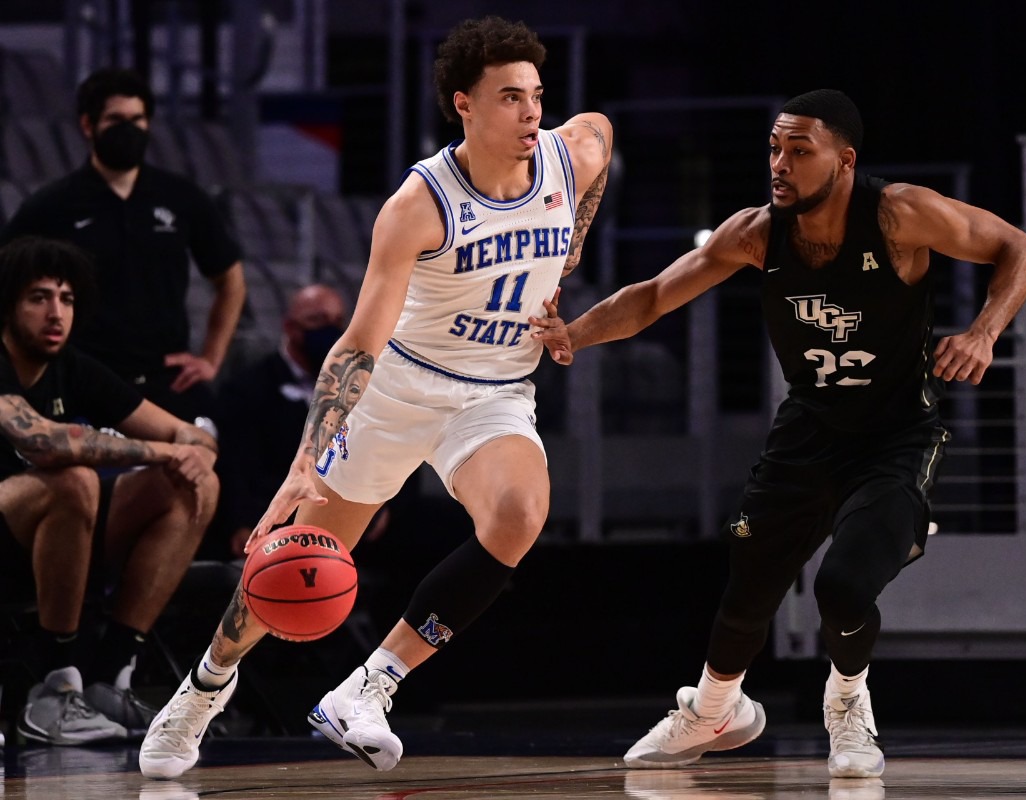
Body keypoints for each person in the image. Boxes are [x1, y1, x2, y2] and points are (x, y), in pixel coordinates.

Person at [138, 15, 612, 779]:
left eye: (536, 96)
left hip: (493, 393)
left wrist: (572, 252)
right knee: (292, 562)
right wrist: (304, 459)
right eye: (510, 99)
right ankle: (201, 691)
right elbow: (357, 343)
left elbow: (601, 133)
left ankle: (368, 686)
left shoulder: (570, 152)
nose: (532, 114)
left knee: (521, 516)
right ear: (464, 104)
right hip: (398, 391)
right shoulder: (419, 204)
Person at [531, 89, 1026, 778]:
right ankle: (715, 709)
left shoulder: (898, 213)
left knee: (842, 587)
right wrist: (572, 335)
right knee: (748, 586)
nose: (780, 163)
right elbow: (653, 295)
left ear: (845, 159)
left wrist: (984, 332)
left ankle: (848, 704)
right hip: (808, 431)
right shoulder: (756, 232)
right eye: (775, 147)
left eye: (800, 151)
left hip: (896, 435)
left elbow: (1020, 247)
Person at [0, 236, 220, 745]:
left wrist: (195, 457)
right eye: (38, 298)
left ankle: (109, 676)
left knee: (184, 486)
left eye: (67, 299)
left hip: (49, 542)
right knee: (73, 480)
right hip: (10, 531)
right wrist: (171, 452)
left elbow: (191, 435)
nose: (56, 313)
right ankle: (54, 688)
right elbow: (43, 441)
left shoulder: (71, 367)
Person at [0, 67, 246, 422]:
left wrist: (211, 357)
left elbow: (231, 280)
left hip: (166, 379)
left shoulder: (181, 197)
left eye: (138, 119)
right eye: (116, 119)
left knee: (203, 466)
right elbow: (8, 279)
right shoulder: (52, 204)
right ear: (88, 125)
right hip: (83, 378)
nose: (129, 129)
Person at [211, 283, 350, 557]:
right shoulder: (247, 388)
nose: (331, 330)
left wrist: (389, 509)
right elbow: (235, 464)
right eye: (318, 320)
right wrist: (242, 522)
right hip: (276, 509)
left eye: (338, 321)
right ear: (290, 327)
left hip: (341, 505)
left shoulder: (355, 383)